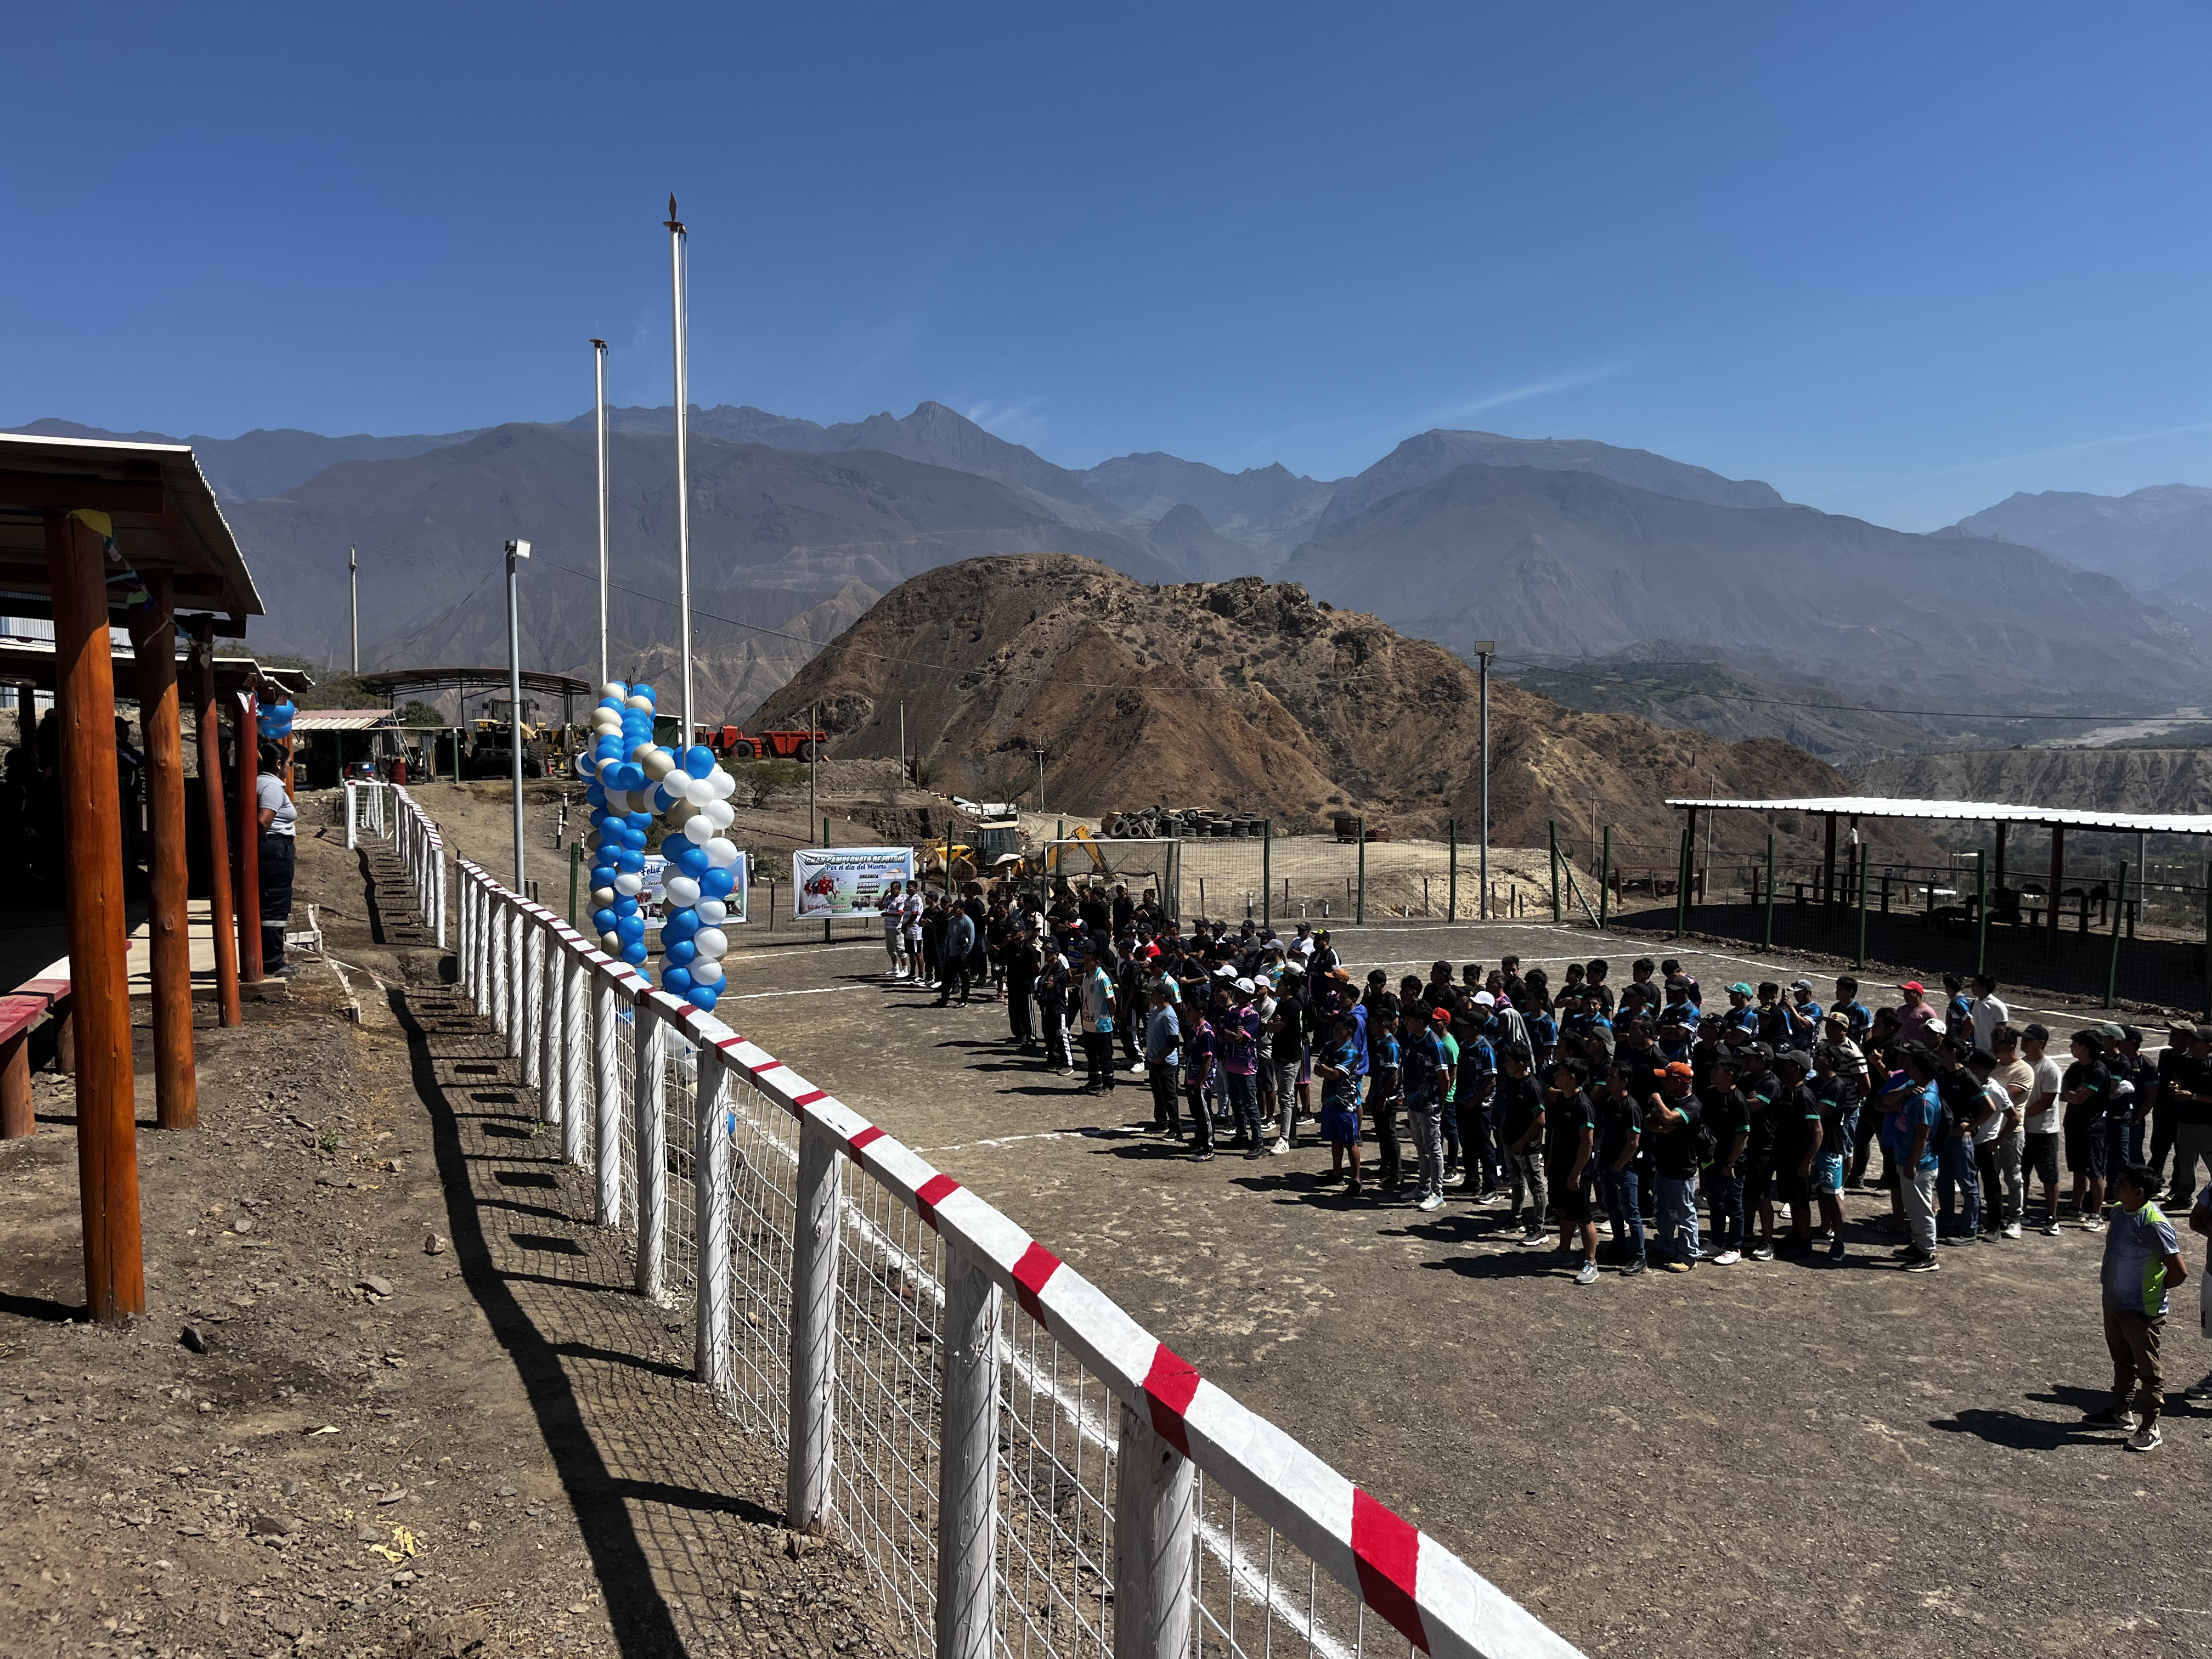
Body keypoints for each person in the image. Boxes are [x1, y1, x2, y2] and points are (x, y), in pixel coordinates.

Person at [2083, 1163, 2187, 1452]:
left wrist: (2151, 1295)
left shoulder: (2154, 1223)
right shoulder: (2118, 1210)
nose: (2117, 1187)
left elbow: (2179, 1272)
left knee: (2148, 1370)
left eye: (2123, 1183)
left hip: (2141, 1310)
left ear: (2140, 1192)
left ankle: (2150, 1427)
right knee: (2122, 1360)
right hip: (2115, 1302)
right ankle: (2121, 1413)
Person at [1543, 1057, 1600, 1285]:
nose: (1556, 1075)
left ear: (1572, 1077)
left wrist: (1576, 1172)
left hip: (1577, 1172)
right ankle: (1564, 1252)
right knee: (1563, 1211)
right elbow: (1556, 1134)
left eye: (1561, 1072)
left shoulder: (1583, 1105)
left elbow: (1587, 1143)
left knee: (1583, 1218)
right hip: (1559, 1168)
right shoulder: (1562, 1099)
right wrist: (1550, 1161)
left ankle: (1591, 1264)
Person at [1644, 1061, 1702, 1272]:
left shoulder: (1692, 1105)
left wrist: (1657, 1100)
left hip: (1681, 1170)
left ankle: (1688, 1256)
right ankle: (1666, 1246)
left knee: (1684, 1213)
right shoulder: (1668, 1098)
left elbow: (1668, 1116)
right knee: (1663, 1211)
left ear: (1679, 1082)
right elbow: (1648, 1122)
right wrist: (1661, 1130)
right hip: (1663, 1165)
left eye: (1667, 1078)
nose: (1663, 1082)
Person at [1896, 1045, 1944, 1272]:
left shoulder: (1926, 1100)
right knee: (1913, 1207)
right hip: (1910, 1160)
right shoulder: (1917, 1087)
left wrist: (1912, 1164)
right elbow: (1886, 1100)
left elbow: (1922, 1136)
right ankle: (1918, 1244)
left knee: (1922, 1209)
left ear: (1919, 1069)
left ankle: (1928, 1253)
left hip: (1919, 1165)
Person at [253, 741, 298, 977]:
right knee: (275, 906)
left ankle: (269, 955)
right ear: (279, 764)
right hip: (274, 849)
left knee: (267, 904)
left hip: (270, 848)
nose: (292, 767)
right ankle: (273, 961)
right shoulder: (270, 787)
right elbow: (263, 821)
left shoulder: (260, 782)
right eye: (290, 763)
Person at [1494, 1045, 1548, 1244]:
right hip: (1510, 1143)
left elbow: (1541, 1120)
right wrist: (1502, 1127)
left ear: (1521, 1063)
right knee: (1516, 1182)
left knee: (1536, 1187)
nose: (1506, 1064)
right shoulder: (1511, 1082)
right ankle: (1515, 1219)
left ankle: (1539, 1228)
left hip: (1527, 1148)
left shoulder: (1532, 1086)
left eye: (1509, 1061)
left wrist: (1523, 1142)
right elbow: (1509, 1108)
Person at [1597, 1063, 1646, 1276]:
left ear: (1625, 1081)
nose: (1608, 1080)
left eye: (1613, 1077)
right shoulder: (1609, 1103)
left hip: (1626, 1170)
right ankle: (1619, 1245)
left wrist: (1618, 1167)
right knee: (1613, 1209)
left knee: (1631, 1213)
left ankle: (1639, 1257)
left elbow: (1634, 1143)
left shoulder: (1631, 1107)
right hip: (1608, 1167)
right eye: (1608, 1076)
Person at [2062, 1029, 2114, 1230]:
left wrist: (2066, 1091)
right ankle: (2076, 1207)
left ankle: (2097, 1214)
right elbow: (2068, 1094)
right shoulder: (2076, 1067)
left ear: (2085, 1049)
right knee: (2078, 1169)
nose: (2071, 1047)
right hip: (2074, 1126)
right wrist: (2068, 1092)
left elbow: (2076, 1097)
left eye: (2074, 1044)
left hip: (2093, 1129)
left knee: (2095, 1173)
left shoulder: (2098, 1072)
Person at [1702, 1052, 1751, 1266]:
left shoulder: (1739, 1101)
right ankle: (1716, 1241)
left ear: (1730, 1075)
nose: (1712, 1073)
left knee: (1733, 1205)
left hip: (1731, 1164)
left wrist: (1730, 1162)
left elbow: (1743, 1137)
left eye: (1717, 1071)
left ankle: (1735, 1247)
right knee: (1715, 1202)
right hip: (1712, 1160)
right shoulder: (1711, 1093)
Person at [1402, 1006, 1452, 1211]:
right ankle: (1423, 1186)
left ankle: (1437, 1193)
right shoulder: (1412, 1039)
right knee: (1420, 1146)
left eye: (1409, 1019)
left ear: (1421, 1022)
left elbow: (1445, 1078)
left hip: (1429, 1105)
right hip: (1413, 1104)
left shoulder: (1434, 1045)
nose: (1405, 1022)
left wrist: (1440, 1103)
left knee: (1433, 1149)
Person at [1987, 1026, 2032, 1239]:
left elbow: (2005, 1098)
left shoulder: (2023, 1071)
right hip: (1990, 1129)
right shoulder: (1995, 1067)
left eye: (1999, 1047)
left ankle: (2016, 1218)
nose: (1994, 1050)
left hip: (2011, 1131)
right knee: (1991, 1176)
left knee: (2013, 1177)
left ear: (2011, 1047)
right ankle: (1995, 1215)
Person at [2022, 1023, 2066, 1233]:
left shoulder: (2050, 1069)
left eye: (2029, 1039)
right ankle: (2021, 1212)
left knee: (2049, 1176)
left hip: (2044, 1132)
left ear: (2041, 1043)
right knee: (2021, 1173)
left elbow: (2046, 1102)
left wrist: (2019, 1114)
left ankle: (2052, 1217)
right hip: (2023, 1130)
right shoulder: (2021, 1065)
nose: (2024, 1042)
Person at [1314, 1013, 1363, 1193]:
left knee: (1350, 1142)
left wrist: (1326, 1069)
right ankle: (1337, 1173)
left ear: (1349, 1032)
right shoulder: (1329, 1046)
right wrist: (1328, 1070)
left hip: (1346, 1104)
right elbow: (1316, 1070)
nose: (1334, 1031)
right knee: (1334, 1140)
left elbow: (1336, 1075)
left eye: (1338, 1029)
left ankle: (1356, 1179)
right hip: (1329, 1102)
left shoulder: (1351, 1052)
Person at [2164, 1024, 2212, 1207]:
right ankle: (2184, 1197)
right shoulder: (2186, 1062)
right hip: (2185, 1121)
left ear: (2209, 1045)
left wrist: (2192, 1097)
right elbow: (2177, 1080)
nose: (2190, 1043)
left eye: (2197, 1041)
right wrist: (2175, 1086)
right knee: (2185, 1162)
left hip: (2206, 1125)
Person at [1367, 998, 1403, 1192]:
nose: (1370, 1026)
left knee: (1390, 1135)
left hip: (1389, 1099)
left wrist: (1382, 1099)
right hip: (1378, 1096)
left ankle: (1397, 1173)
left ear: (1382, 1025)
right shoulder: (1379, 1042)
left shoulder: (1391, 1046)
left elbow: (1393, 1077)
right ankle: (1386, 1168)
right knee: (1382, 1134)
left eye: (1373, 1023)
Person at [1077, 945, 1118, 1092]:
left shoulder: (1103, 979)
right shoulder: (1087, 977)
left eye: (1089, 960)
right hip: (1088, 1024)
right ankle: (1095, 1081)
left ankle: (1109, 1084)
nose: (1086, 963)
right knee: (1091, 1054)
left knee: (1105, 1055)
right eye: (1085, 960)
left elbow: (1112, 1002)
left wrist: (1111, 1016)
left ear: (1097, 963)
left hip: (1101, 1025)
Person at [1145, 984, 1182, 1136]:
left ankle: (1176, 1129)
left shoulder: (1169, 1015)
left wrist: (1161, 1057)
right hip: (1154, 1061)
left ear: (1161, 997)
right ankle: (1161, 1122)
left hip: (1165, 1063)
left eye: (1154, 994)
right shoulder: (1156, 1011)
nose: (1151, 996)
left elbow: (1173, 1041)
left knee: (1169, 1096)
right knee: (1158, 1094)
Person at [1181, 999, 1216, 1160]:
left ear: (1200, 1013)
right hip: (1191, 1078)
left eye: (1190, 1009)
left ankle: (1209, 1148)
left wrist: (1200, 1081)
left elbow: (1207, 1060)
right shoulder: (1192, 1030)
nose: (1187, 1012)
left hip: (1201, 1082)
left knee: (1205, 1113)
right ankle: (1200, 1141)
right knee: (1196, 1113)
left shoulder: (1206, 1033)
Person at [1968, 974, 2010, 1053]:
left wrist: (1996, 1050)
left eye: (1975, 985)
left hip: (1992, 1052)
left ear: (1984, 987)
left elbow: (2002, 1031)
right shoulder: (1975, 1003)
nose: (1972, 987)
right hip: (1977, 1049)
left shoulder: (1997, 1006)